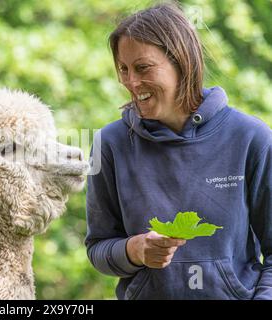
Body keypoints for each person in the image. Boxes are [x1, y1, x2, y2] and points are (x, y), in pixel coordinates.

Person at [85, 2, 272, 300]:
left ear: (181, 61)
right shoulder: (109, 143)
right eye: (123, 69)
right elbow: (98, 248)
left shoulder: (252, 138)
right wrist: (135, 250)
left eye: (143, 67)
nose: (131, 82)